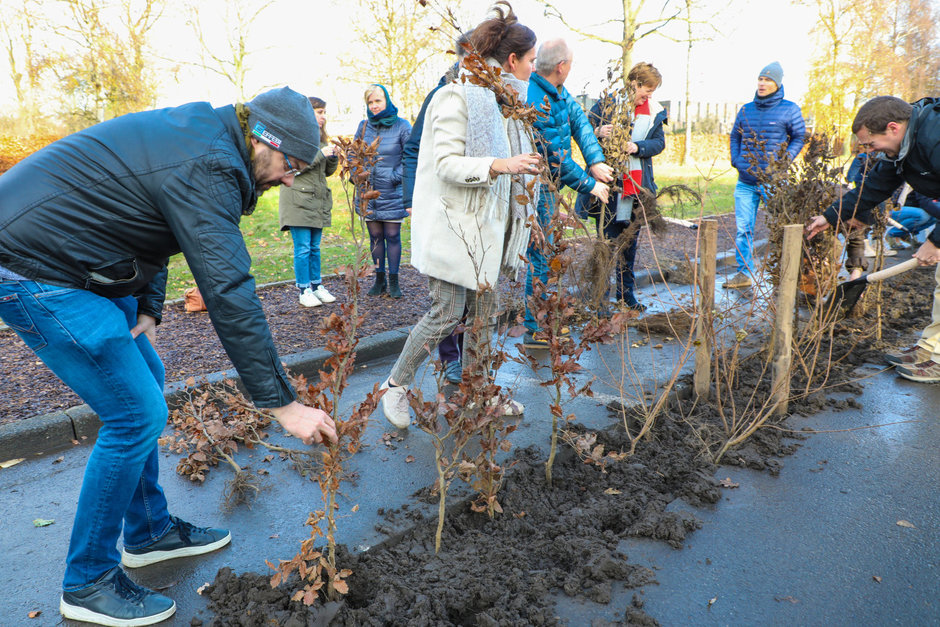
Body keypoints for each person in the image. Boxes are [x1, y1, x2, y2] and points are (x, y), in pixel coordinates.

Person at [0, 86, 338, 626]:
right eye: (291, 163)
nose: (291, 178)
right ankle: (86, 581)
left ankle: (149, 532)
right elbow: (228, 290)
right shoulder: (209, 163)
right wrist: (283, 406)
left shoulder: (206, 140)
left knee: (147, 379)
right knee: (134, 414)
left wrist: (151, 306)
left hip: (71, 258)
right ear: (263, 140)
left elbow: (150, 223)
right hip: (32, 266)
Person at [380, 1, 540, 428]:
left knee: (485, 319)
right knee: (446, 314)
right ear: (511, 60)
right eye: (531, 61)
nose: (533, 69)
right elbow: (446, 165)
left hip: (491, 229)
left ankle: (480, 394)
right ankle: (395, 386)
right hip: (456, 229)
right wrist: (500, 165)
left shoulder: (506, 104)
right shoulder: (455, 96)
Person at [806, 96, 940, 383]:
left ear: (892, 128)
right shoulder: (901, 150)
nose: (868, 151)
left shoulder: (934, 136)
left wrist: (936, 241)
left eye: (870, 143)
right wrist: (829, 217)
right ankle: (931, 348)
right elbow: (873, 187)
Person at [523, 37, 613, 347]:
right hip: (537, 188)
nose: (571, 69)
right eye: (571, 64)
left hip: (552, 185)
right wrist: (591, 185)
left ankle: (546, 320)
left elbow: (580, 123)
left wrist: (596, 161)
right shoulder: (536, 99)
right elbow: (556, 158)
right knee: (541, 255)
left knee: (549, 254)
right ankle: (536, 327)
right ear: (561, 67)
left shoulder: (558, 93)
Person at [402, 35, 471, 385]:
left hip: (472, 212)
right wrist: (412, 199)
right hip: (443, 207)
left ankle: (468, 360)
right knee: (446, 296)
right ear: (462, 58)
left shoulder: (486, 98)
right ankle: (449, 359)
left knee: (470, 297)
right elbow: (413, 149)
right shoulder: (440, 95)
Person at [579, 62, 667, 311]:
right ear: (634, 83)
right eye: (646, 90)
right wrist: (597, 130)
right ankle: (600, 299)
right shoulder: (608, 103)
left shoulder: (654, 112)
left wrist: (638, 147)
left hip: (635, 188)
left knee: (629, 242)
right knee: (606, 242)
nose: (648, 96)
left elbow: (659, 143)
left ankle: (626, 296)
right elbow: (583, 130)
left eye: (651, 92)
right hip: (608, 186)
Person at [727, 61, 806, 289]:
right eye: (760, 79)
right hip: (746, 182)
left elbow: (799, 137)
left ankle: (784, 274)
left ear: (777, 83)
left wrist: (783, 160)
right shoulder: (745, 110)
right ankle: (742, 274)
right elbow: (735, 137)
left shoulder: (790, 109)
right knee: (744, 230)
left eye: (768, 80)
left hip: (774, 182)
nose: (762, 83)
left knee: (781, 227)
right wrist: (736, 160)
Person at [279, 96, 339, 307]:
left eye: (324, 112)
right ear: (307, 113)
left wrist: (332, 158)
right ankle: (304, 289)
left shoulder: (321, 139)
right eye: (319, 112)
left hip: (317, 201)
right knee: (303, 248)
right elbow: (292, 167)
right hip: (297, 201)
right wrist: (320, 154)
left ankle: (317, 286)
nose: (323, 116)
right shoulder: (293, 138)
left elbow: (326, 172)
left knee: (314, 248)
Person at [355, 84, 412, 298]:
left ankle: (394, 281)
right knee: (375, 236)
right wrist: (357, 176)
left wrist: (394, 177)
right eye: (370, 102)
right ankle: (379, 280)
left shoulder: (402, 126)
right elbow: (353, 155)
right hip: (369, 193)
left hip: (393, 191)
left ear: (387, 100)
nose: (374, 105)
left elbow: (410, 157)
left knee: (392, 235)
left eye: (378, 101)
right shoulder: (363, 126)